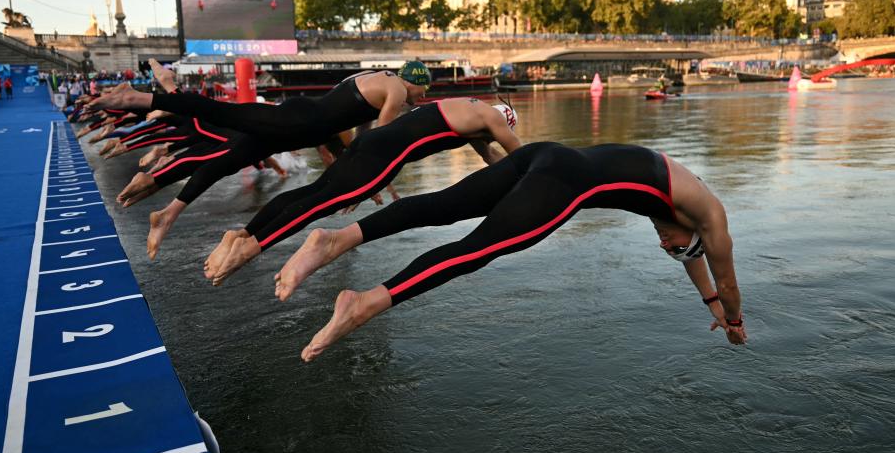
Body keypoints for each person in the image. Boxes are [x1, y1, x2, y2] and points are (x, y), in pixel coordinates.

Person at [270, 142, 745, 362]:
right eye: (675, 247)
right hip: (563, 184)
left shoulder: (679, 203)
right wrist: (734, 321)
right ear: (697, 233)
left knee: (442, 206)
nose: (666, 246)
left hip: (543, 155)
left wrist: (709, 307)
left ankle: (334, 239)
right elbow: (724, 277)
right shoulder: (713, 219)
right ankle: (364, 303)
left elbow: (694, 262)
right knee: (474, 250)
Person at [90, 59, 435, 259]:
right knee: (220, 114)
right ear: (415, 82)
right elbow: (379, 140)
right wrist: (376, 178)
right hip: (298, 123)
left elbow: (353, 138)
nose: (418, 100)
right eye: (423, 92)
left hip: (301, 124)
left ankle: (168, 213)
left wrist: (364, 180)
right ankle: (141, 98)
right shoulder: (398, 88)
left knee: (229, 158)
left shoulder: (373, 79)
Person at [204, 97, 522, 285]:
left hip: (369, 141)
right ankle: (252, 249)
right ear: (505, 122)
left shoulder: (469, 110)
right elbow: (522, 159)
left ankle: (240, 236)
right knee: (319, 205)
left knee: (313, 192)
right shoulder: (495, 119)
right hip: (386, 154)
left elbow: (491, 159)